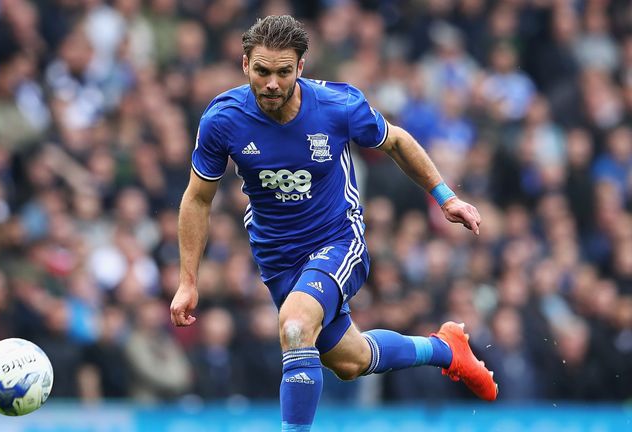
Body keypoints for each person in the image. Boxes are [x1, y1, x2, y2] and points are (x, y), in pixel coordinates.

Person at [170, 15, 497, 430]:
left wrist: (445, 197)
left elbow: (395, 140)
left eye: (284, 72)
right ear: (245, 65)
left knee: (294, 326)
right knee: (350, 360)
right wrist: (188, 281)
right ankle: (445, 350)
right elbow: (198, 198)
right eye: (262, 71)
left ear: (301, 68)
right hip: (276, 256)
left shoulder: (338, 107)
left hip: (337, 239)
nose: (272, 83)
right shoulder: (222, 120)